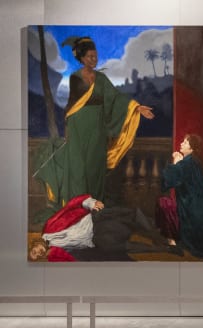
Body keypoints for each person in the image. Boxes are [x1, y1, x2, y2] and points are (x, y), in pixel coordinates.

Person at [37, 36, 155, 208]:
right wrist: (68, 130)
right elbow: (72, 104)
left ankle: (95, 206)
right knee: (78, 167)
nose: (94, 59)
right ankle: (77, 208)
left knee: (95, 165)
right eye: (90, 57)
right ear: (82, 58)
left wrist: (136, 108)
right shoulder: (75, 77)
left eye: (95, 56)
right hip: (79, 125)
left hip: (98, 126)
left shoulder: (101, 78)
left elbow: (115, 98)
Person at [28, 193, 169, 262]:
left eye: (35, 251)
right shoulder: (53, 254)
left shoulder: (49, 227)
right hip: (94, 240)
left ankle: (160, 238)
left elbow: (70, 207)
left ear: (35, 243)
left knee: (133, 215)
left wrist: (90, 203)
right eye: (37, 257)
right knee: (120, 248)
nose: (39, 253)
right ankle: (160, 249)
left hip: (92, 220)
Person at [160, 133, 203, 258]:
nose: (181, 143)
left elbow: (168, 182)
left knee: (163, 202)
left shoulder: (186, 163)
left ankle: (172, 241)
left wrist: (176, 163)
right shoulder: (196, 162)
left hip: (192, 211)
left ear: (192, 148)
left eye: (185, 142)